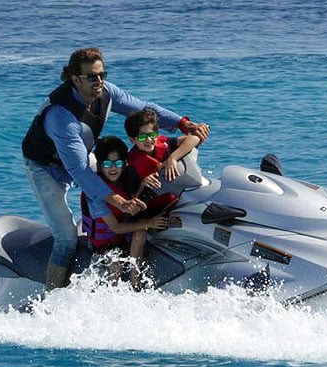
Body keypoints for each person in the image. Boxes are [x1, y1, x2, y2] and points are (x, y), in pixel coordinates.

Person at [22, 47, 211, 290]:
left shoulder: (106, 92)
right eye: (92, 77)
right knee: (66, 238)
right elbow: (79, 170)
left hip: (79, 155)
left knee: (115, 181)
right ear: (75, 79)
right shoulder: (60, 116)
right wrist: (120, 202)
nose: (99, 81)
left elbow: (143, 109)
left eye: (102, 74)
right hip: (45, 168)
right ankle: (51, 297)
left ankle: (103, 235)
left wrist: (183, 124)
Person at [80, 136, 168, 289]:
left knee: (141, 232)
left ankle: (136, 283)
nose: (113, 168)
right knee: (115, 266)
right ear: (100, 166)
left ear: (124, 164)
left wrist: (143, 183)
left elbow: (133, 199)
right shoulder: (95, 194)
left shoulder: (125, 179)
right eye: (108, 164)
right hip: (103, 244)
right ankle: (112, 294)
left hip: (123, 239)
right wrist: (149, 223)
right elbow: (115, 228)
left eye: (118, 163)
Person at [124, 107, 202, 217]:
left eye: (151, 135)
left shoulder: (165, 144)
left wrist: (172, 158)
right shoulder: (131, 165)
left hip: (178, 201)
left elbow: (194, 139)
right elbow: (133, 200)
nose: (148, 140)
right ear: (132, 139)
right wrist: (143, 183)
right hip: (156, 211)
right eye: (142, 137)